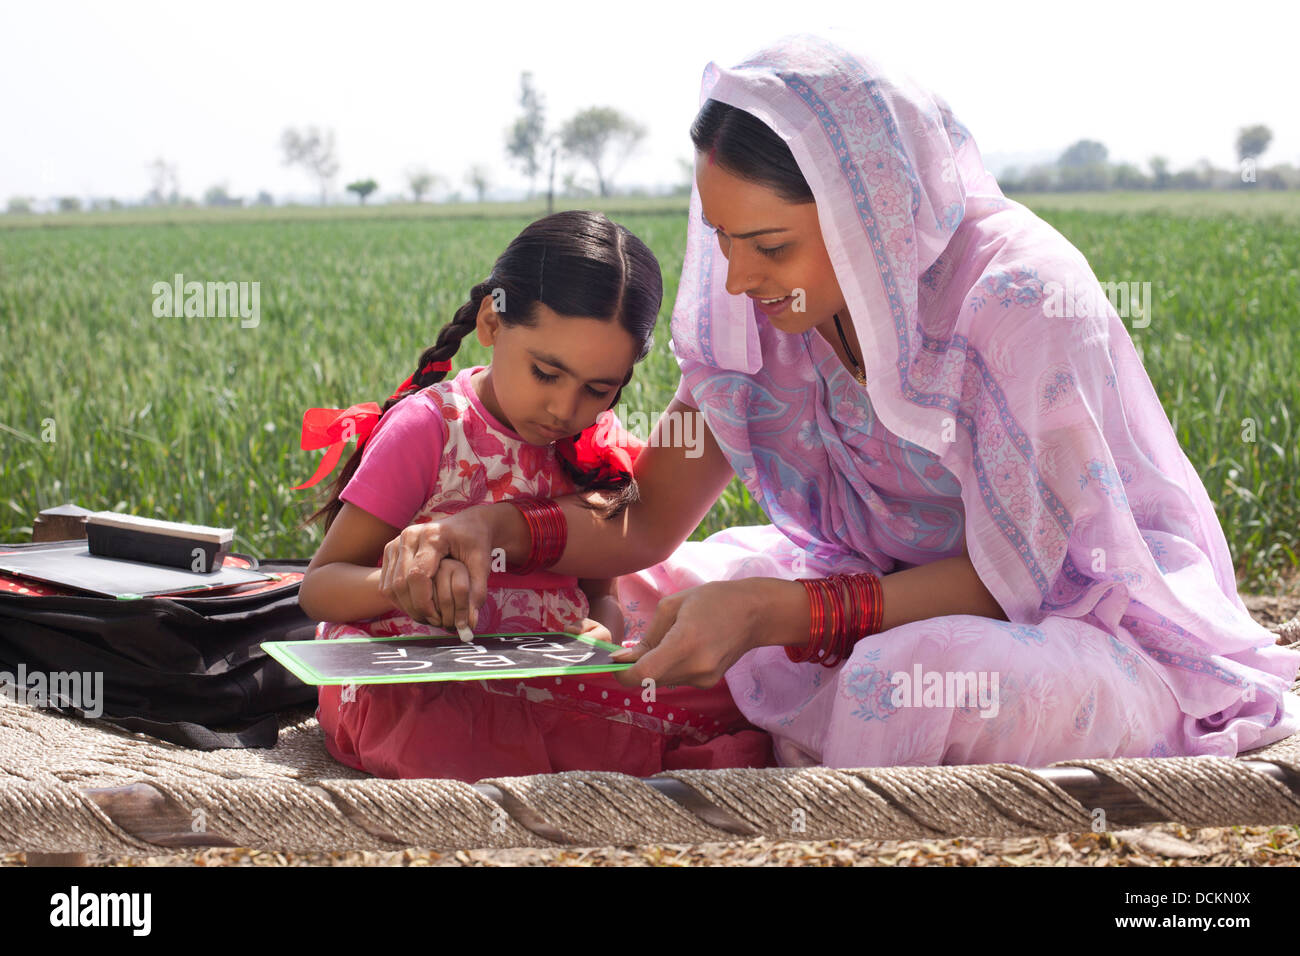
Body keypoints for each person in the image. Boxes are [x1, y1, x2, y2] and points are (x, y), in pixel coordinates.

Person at [376, 36, 1300, 769]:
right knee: (645, 594)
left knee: (898, 683)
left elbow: (1017, 577)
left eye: (769, 244)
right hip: (858, 583)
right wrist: (500, 527)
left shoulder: (1017, 302)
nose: (736, 278)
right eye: (724, 238)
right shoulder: (757, 324)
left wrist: (779, 616)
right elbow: (647, 516)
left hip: (1073, 625)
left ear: (871, 212)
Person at [295, 210, 774, 781]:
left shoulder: (597, 448)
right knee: (444, 733)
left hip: (539, 672)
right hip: (413, 676)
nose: (564, 410)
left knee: (730, 699)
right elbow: (319, 589)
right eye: (546, 373)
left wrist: (605, 631)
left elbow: (603, 595)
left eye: (598, 389)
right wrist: (400, 587)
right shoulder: (429, 431)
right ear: (493, 324)